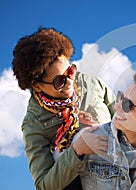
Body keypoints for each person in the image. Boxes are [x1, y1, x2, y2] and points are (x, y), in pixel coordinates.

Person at [12, 27, 115, 190]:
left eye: (70, 71)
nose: (69, 83)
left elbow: (125, 116)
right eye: (59, 81)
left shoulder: (92, 83)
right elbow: (44, 185)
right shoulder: (34, 123)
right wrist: (76, 150)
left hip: (119, 168)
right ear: (37, 86)